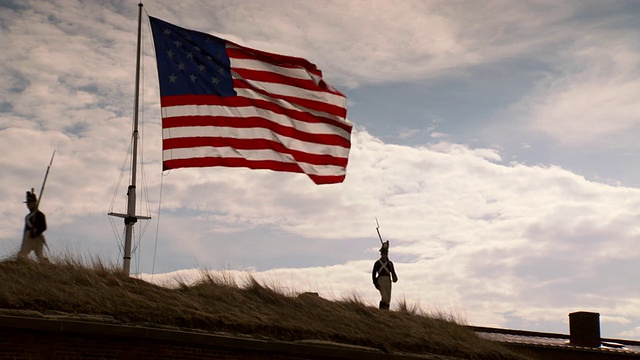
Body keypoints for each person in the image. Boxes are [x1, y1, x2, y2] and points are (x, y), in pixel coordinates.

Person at [18, 190, 48, 262]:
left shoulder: (39, 214)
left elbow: (43, 227)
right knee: (22, 256)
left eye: (30, 203)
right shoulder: (28, 216)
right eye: (28, 203)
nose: (28, 205)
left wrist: (36, 232)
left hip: (37, 237)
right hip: (29, 236)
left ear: (34, 203)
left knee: (39, 257)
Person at [372, 240, 398, 310]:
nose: (384, 255)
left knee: (388, 299)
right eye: (383, 254)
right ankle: (382, 310)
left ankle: (386, 311)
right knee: (385, 297)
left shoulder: (390, 263)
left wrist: (395, 278)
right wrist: (375, 283)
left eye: (386, 254)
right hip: (381, 280)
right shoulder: (377, 263)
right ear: (381, 254)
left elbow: (393, 273)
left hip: (388, 280)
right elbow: (374, 274)